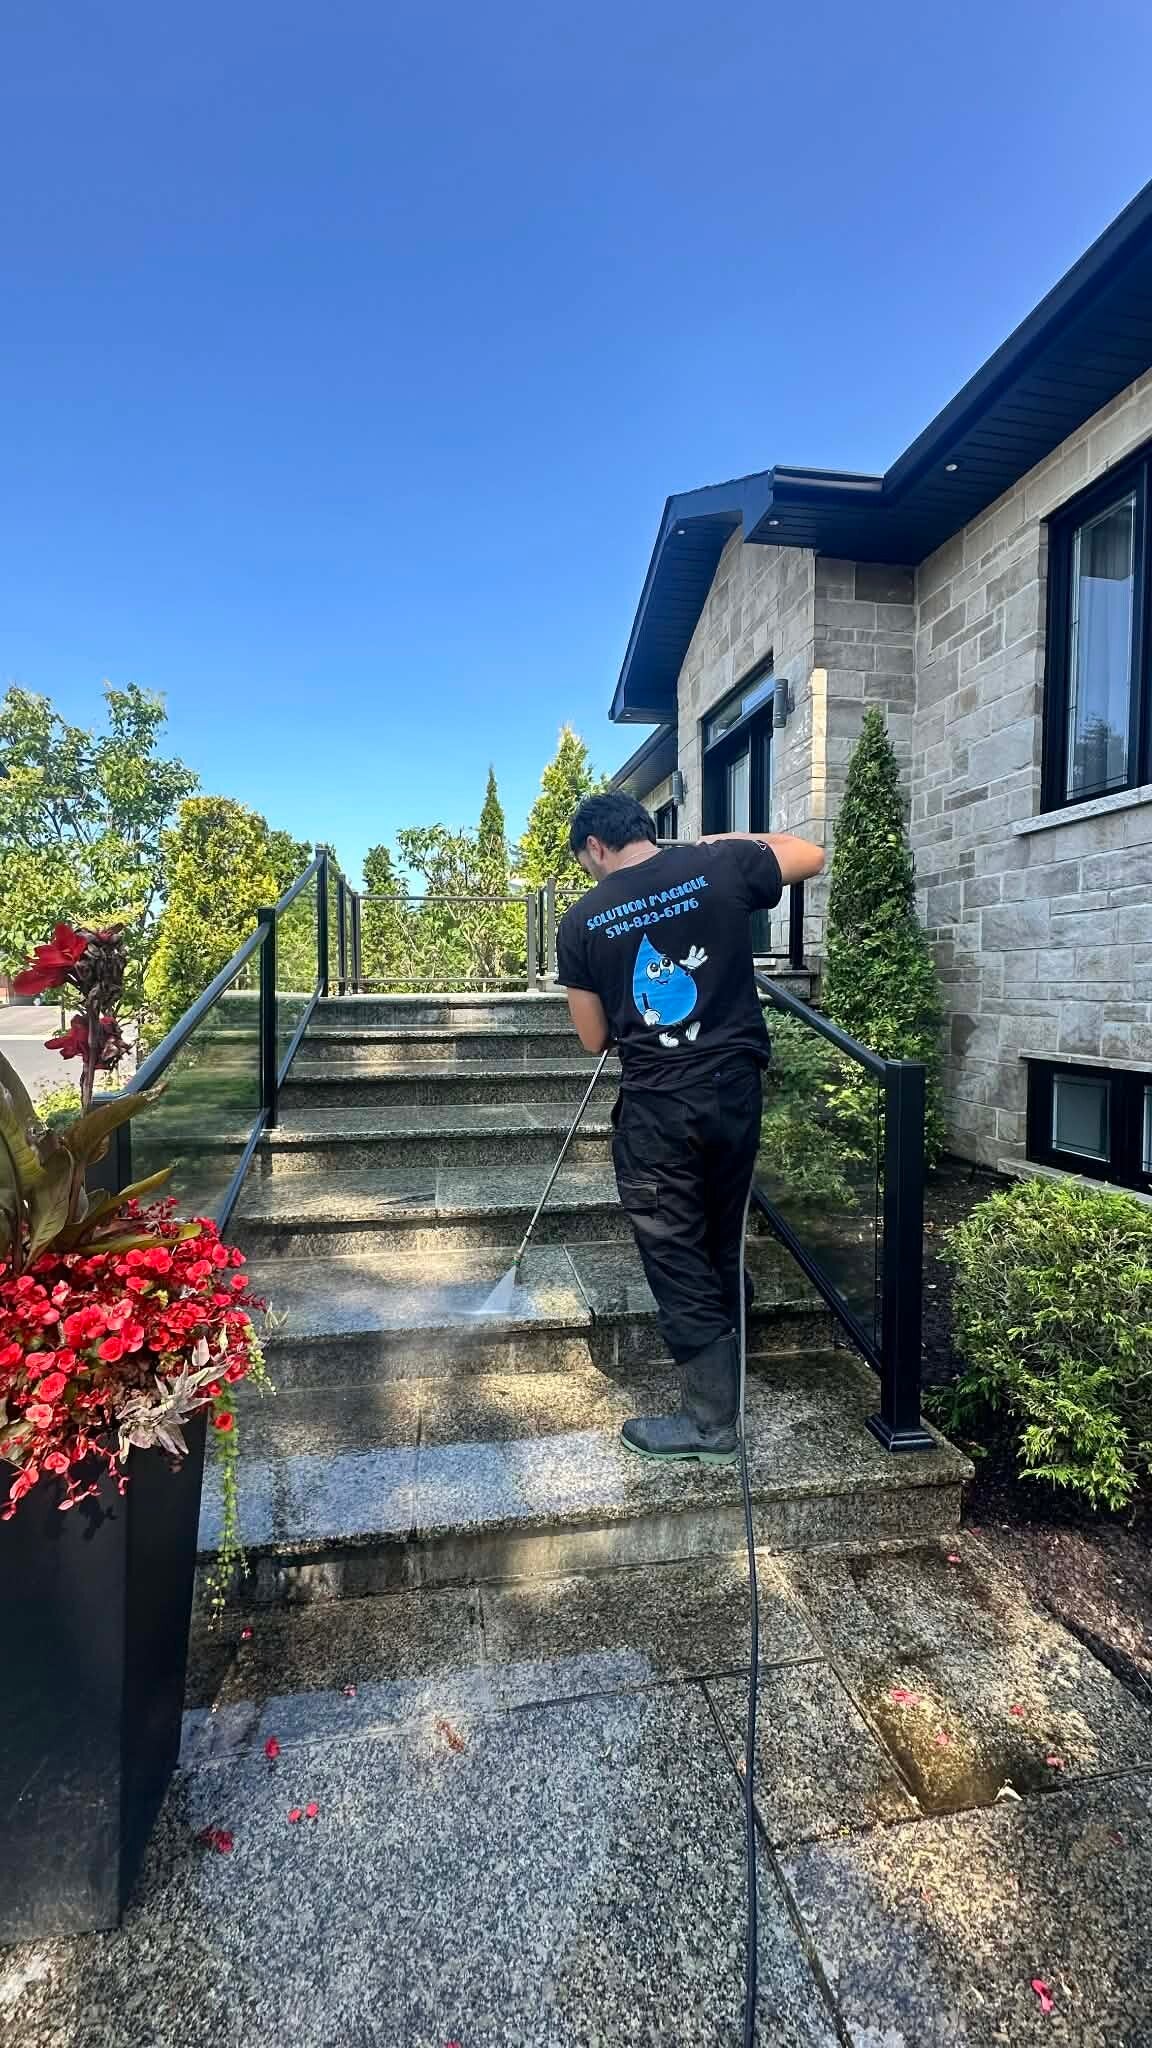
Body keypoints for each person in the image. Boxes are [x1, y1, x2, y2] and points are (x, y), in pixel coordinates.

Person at [555, 791, 825, 1464]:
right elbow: (810, 854)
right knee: (721, 1229)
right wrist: (720, 841)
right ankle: (731, 1342)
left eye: (586, 860)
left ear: (595, 846)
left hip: (659, 1108)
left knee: (673, 1248)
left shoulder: (582, 919)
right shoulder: (719, 865)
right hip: (735, 1091)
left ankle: (709, 1422)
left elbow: (592, 1038)